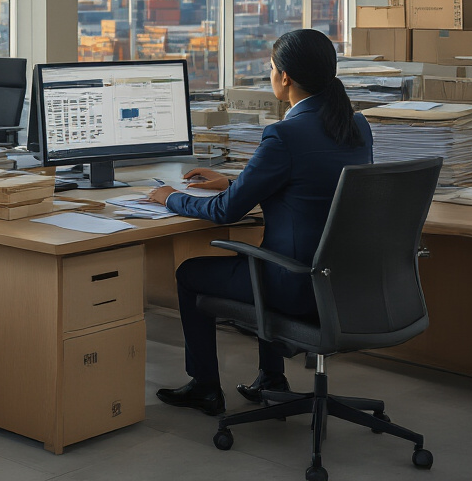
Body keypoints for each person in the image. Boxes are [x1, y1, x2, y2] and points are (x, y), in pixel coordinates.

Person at [146, 29, 373, 416]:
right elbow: (311, 182)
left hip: (295, 286)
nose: (269, 75)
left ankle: (204, 386)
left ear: (284, 78)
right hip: (343, 283)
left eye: (270, 68)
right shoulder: (355, 126)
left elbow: (225, 212)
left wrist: (171, 198)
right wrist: (235, 181)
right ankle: (271, 378)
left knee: (189, 273)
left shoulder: (284, 135)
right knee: (266, 255)